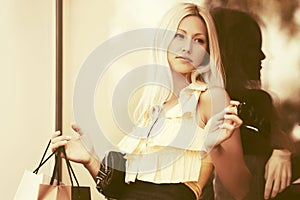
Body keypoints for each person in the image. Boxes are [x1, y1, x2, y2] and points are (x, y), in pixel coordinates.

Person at [51, 3, 250, 200]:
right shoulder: (150, 107)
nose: (188, 48)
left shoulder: (210, 98)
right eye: (179, 36)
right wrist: (90, 158)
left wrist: (213, 147)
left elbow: (241, 190)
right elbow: (122, 193)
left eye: (199, 41)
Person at [210, 7, 293, 200]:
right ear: (232, 50)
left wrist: (282, 150)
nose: (262, 56)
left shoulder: (258, 103)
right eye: (253, 46)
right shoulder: (251, 103)